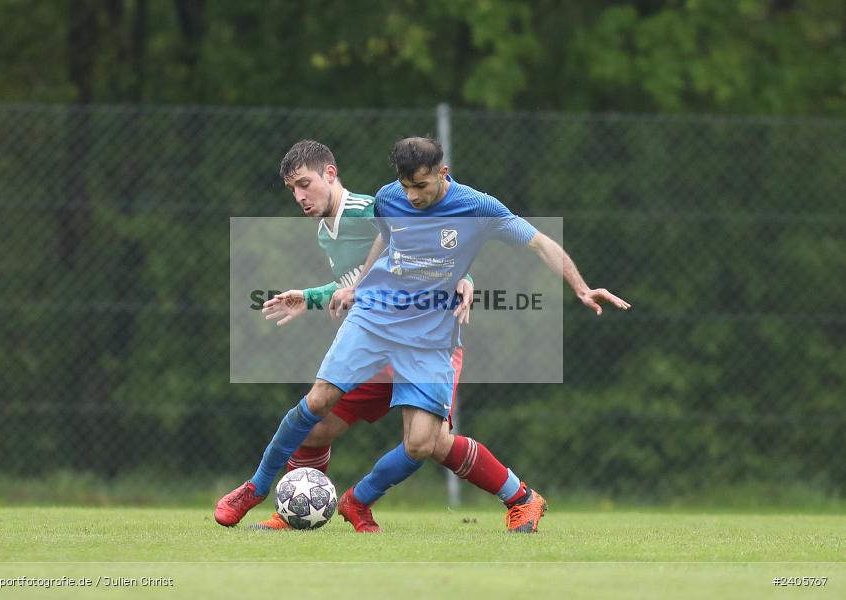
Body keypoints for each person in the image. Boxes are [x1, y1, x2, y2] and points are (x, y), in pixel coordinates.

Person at [218, 137, 629, 533]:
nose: (412, 196)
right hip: (375, 320)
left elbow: (540, 243)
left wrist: (580, 287)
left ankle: (360, 500)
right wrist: (360, 286)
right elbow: (388, 236)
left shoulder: (477, 207)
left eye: (421, 185)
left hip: (429, 337)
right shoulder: (387, 198)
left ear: (441, 173)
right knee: (318, 403)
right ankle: (256, 488)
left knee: (423, 444)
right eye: (405, 186)